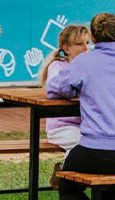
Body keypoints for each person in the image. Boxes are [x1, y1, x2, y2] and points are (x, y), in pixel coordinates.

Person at [47, 13, 115, 200]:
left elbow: (54, 88)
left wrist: (80, 90)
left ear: (93, 38)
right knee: (111, 175)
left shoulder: (84, 63)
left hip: (96, 152)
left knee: (67, 188)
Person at [40, 24, 92, 190]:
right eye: (80, 44)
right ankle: (65, 173)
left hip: (85, 125)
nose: (86, 48)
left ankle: (73, 180)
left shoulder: (91, 67)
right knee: (83, 147)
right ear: (66, 48)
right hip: (62, 126)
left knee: (101, 145)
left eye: (88, 43)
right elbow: (60, 89)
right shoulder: (58, 67)